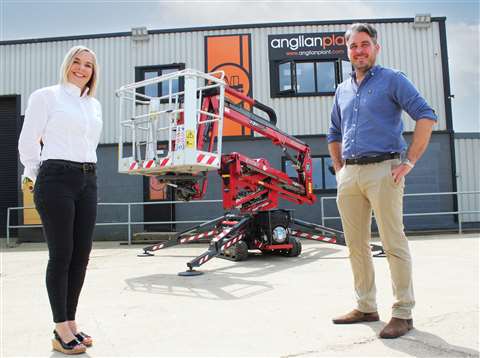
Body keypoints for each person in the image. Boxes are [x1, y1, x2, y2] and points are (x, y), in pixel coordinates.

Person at [328, 23, 437, 339]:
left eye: (364, 44)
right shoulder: (342, 89)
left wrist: (409, 162)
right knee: (355, 245)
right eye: (353, 46)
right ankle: (365, 306)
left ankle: (403, 312)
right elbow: (334, 132)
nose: (359, 51)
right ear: (347, 51)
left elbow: (426, 116)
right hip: (350, 174)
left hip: (384, 170)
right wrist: (339, 170)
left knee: (393, 242)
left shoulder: (393, 80)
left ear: (376, 47)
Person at [18, 45, 102, 354]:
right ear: (67, 64)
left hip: (88, 178)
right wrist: (38, 174)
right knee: (62, 254)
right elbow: (28, 140)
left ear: (94, 72)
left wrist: (85, 177)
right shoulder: (46, 96)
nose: (81, 69)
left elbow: (89, 144)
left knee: (81, 254)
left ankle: (70, 322)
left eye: (88, 65)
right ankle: (60, 326)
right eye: (76, 62)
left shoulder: (93, 105)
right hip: (55, 177)